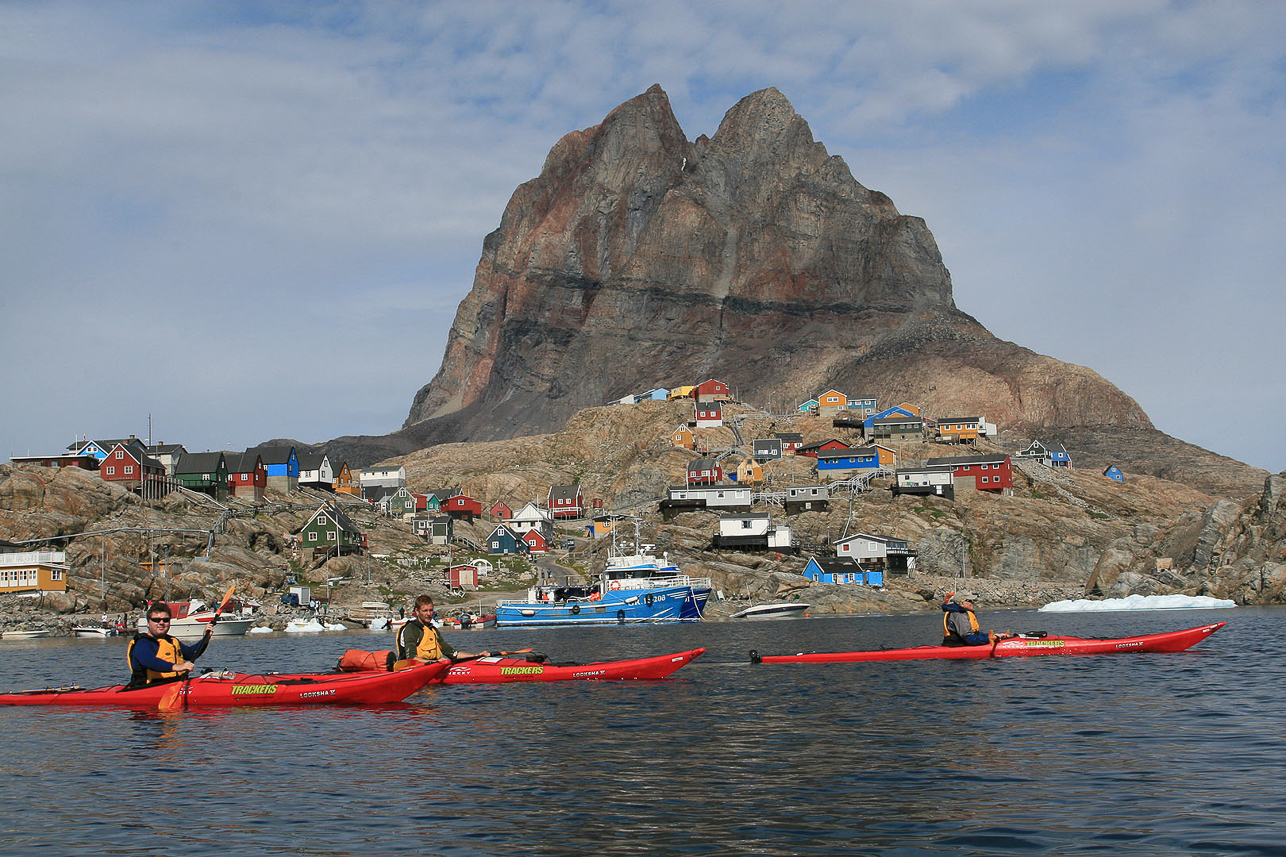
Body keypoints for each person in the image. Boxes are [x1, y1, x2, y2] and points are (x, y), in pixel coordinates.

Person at [127, 602, 213, 686]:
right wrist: (177, 667)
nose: (161, 623)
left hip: (175, 683)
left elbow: (191, 654)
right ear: (148, 623)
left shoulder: (171, 641)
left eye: (165, 620)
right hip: (151, 687)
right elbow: (149, 661)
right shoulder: (143, 643)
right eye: (156, 620)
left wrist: (205, 639)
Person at [395, 595, 490, 663]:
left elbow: (452, 653)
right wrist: (436, 662)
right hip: (413, 669)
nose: (429, 614)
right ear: (417, 611)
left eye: (431, 610)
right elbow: (411, 658)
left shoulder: (432, 630)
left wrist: (476, 656)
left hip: (432, 666)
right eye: (425, 611)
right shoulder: (411, 629)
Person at [941, 591, 1012, 646]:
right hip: (956, 647)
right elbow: (969, 638)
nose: (972, 603)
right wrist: (988, 639)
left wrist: (993, 636)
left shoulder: (961, 613)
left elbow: (975, 635)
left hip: (961, 644)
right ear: (961, 603)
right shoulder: (959, 615)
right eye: (970, 601)